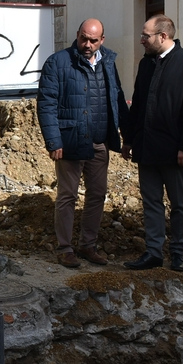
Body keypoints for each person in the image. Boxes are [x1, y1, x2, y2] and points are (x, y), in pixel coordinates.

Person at [37, 19, 129, 269]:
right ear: (77, 35)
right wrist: (53, 140)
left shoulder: (108, 62)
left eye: (93, 40)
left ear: (102, 40)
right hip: (70, 142)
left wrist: (126, 136)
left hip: (99, 141)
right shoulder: (58, 63)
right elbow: (46, 104)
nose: (87, 44)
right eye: (83, 39)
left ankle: (88, 245)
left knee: (97, 195)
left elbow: (117, 98)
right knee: (67, 196)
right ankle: (65, 248)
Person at [122, 15, 183, 272]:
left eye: (145, 36)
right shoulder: (146, 65)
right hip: (147, 147)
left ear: (163, 36)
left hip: (175, 151)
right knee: (151, 202)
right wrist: (129, 139)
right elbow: (138, 104)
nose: (141, 40)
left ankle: (178, 254)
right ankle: (153, 252)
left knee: (179, 203)